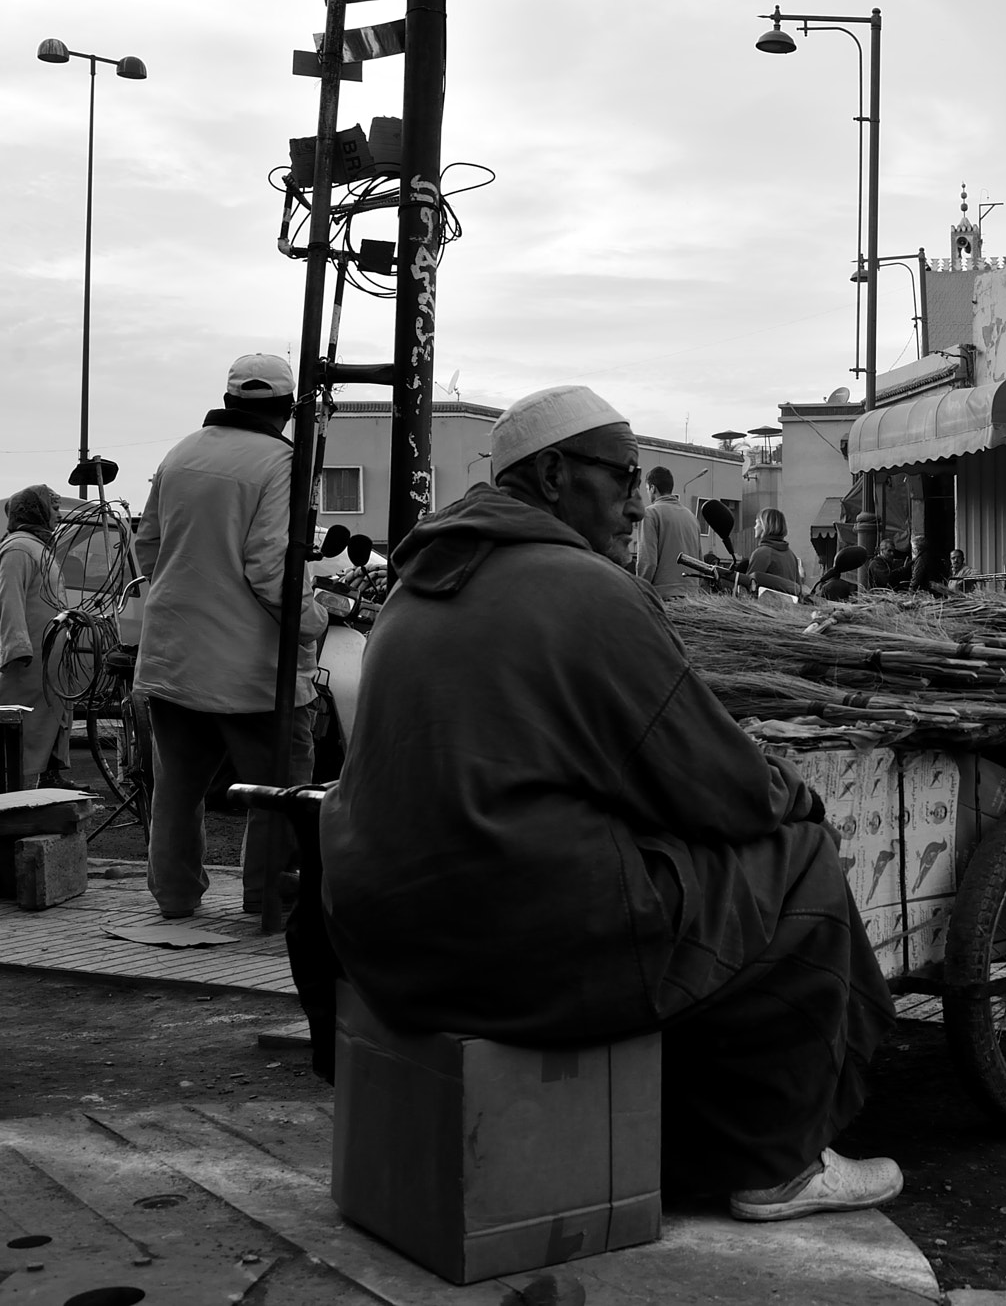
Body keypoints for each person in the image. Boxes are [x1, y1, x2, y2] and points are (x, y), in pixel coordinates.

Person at [321, 384, 900, 1220]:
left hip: (383, 942)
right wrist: (794, 795)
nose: (636, 502)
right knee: (796, 855)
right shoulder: (584, 588)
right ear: (553, 474)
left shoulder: (418, 583)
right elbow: (720, 784)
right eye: (621, 477)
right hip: (502, 942)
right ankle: (775, 1159)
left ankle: (673, 1128)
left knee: (676, 865)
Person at [134, 355, 324, 920]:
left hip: (172, 656)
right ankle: (267, 901)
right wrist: (313, 621)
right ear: (287, 409)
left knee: (177, 789)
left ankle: (174, 899)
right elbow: (269, 566)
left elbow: (148, 544)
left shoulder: (182, 452)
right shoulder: (282, 463)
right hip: (252, 672)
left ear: (230, 397)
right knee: (280, 794)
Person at [0, 486, 71, 787]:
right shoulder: (18, 549)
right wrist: (17, 646)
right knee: (23, 726)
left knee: (47, 720)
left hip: (47, 658)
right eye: (53, 508)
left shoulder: (37, 547)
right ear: (37, 510)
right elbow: (9, 597)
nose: (58, 514)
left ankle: (43, 781)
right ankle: (15, 790)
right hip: (28, 661)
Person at [635, 466, 697, 600]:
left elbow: (648, 562)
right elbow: (700, 562)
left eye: (647, 489)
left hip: (664, 598)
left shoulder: (650, 514)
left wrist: (639, 591)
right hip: (693, 598)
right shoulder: (692, 517)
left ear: (652, 488)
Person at [746, 508, 805, 596]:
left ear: (764, 526)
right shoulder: (791, 555)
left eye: (757, 523)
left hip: (766, 607)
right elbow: (798, 590)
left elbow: (748, 587)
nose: (754, 527)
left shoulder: (762, 553)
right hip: (789, 607)